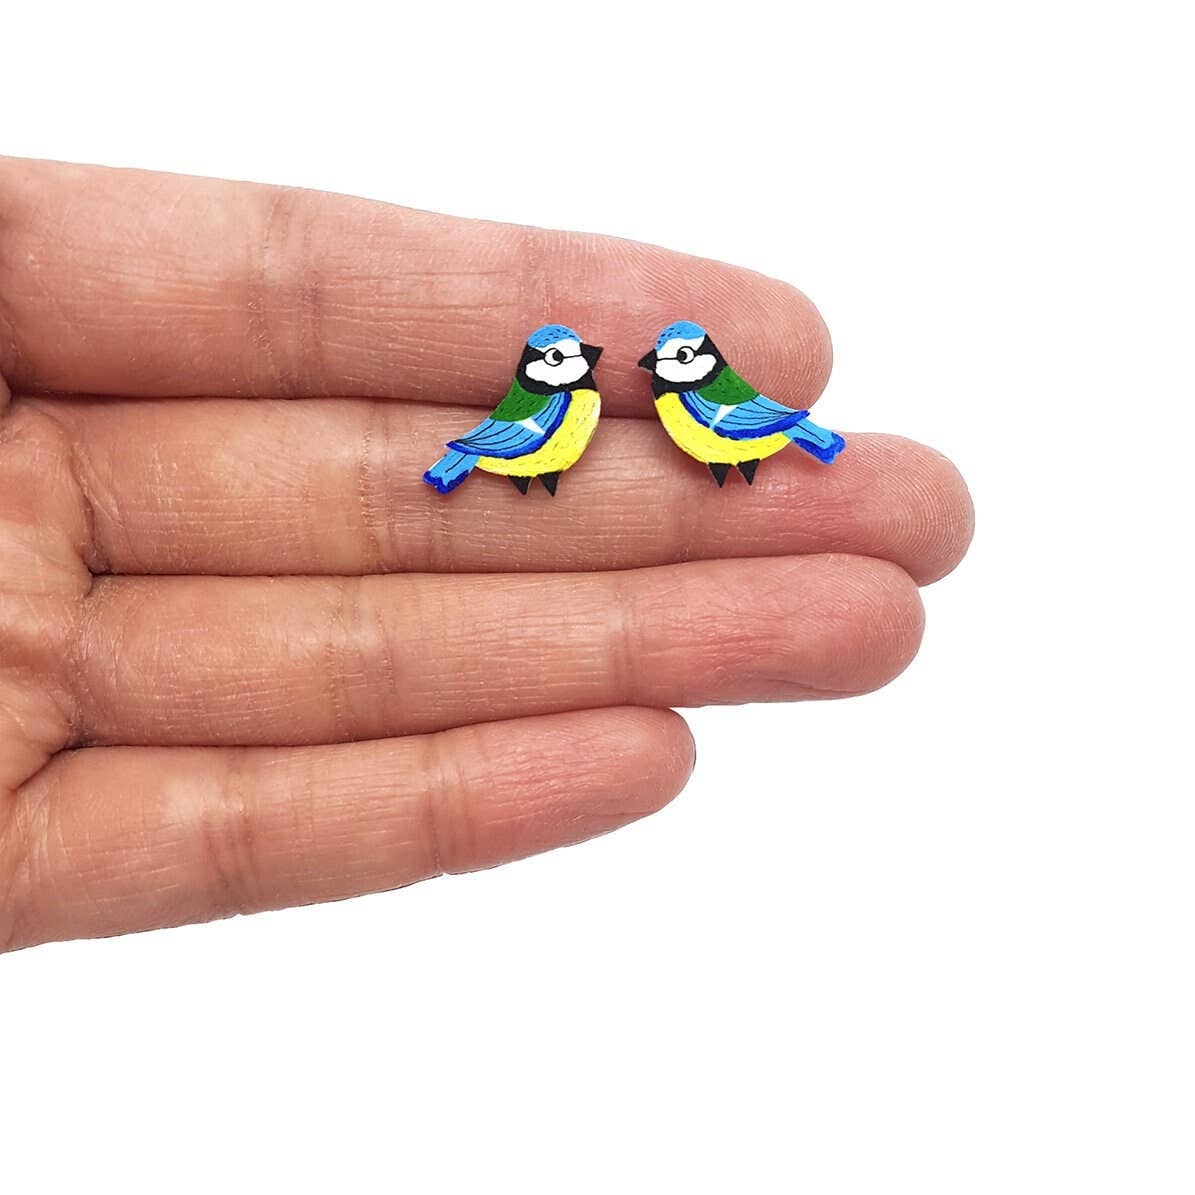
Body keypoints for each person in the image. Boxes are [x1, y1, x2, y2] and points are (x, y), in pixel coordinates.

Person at [0, 157, 973, 950]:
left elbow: (731, 420)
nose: (592, 370)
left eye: (580, 362)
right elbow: (516, 434)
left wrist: (785, 438)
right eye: (563, 364)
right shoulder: (555, 402)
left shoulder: (634, 398)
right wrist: (470, 459)